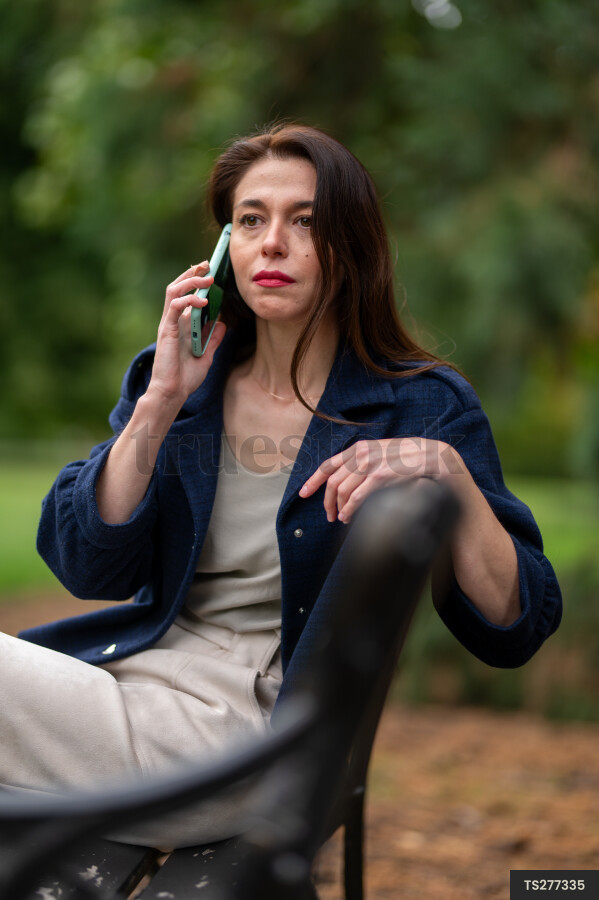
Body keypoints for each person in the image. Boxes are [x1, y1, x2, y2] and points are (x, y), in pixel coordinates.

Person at [5, 123, 561, 848]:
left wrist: (449, 474)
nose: (272, 243)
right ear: (223, 250)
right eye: (250, 220)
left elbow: (517, 624)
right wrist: (161, 401)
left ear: (350, 246)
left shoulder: (421, 407)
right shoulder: (179, 381)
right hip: (127, 695)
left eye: (306, 222)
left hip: (250, 747)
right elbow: (84, 564)